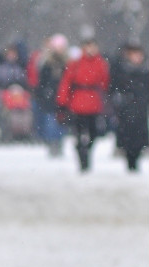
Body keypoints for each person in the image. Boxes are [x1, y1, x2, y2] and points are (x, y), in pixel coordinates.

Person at [56, 36, 110, 171]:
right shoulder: (75, 64)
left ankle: (86, 153)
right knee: (79, 135)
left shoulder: (101, 63)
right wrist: (62, 103)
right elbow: (66, 83)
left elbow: (105, 83)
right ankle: (82, 159)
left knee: (94, 134)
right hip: (78, 104)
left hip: (94, 104)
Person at [110, 42, 149, 172]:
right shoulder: (122, 70)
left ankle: (136, 159)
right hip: (126, 108)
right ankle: (130, 160)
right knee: (127, 135)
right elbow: (114, 87)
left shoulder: (145, 71)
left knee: (139, 136)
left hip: (141, 108)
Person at [32, 34, 69, 155]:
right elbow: (42, 81)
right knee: (51, 122)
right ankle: (52, 144)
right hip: (51, 98)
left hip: (63, 98)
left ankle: (59, 143)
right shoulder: (47, 62)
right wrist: (44, 93)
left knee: (61, 123)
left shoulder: (67, 63)